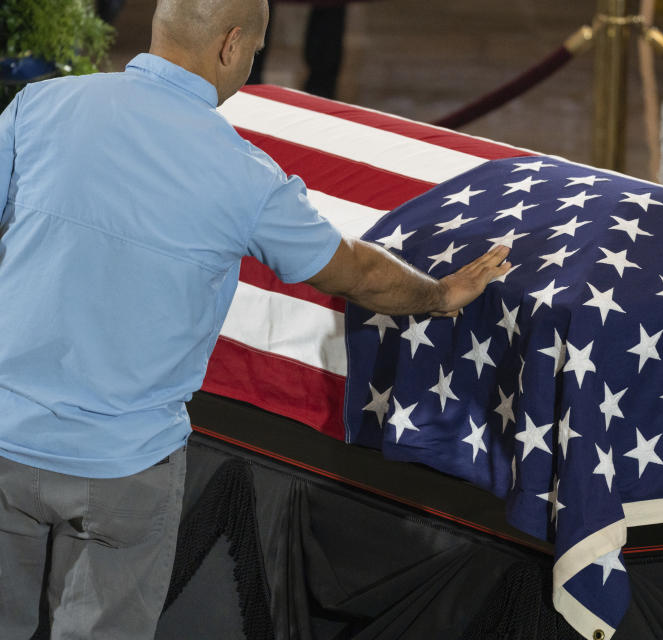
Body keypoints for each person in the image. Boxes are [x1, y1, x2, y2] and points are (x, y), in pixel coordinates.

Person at [0, 0, 509, 637]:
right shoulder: (244, 175)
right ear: (232, 44)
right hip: (122, 472)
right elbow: (357, 272)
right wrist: (439, 295)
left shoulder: (40, 106)